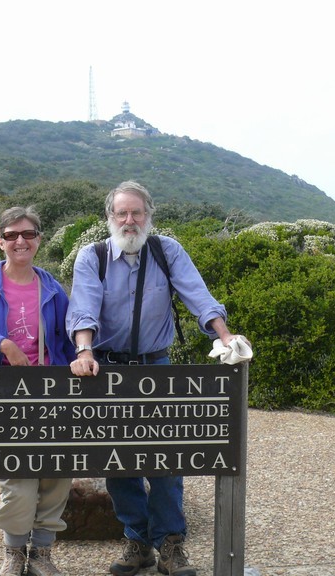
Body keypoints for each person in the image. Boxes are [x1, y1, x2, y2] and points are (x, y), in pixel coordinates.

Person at [66, 181, 247, 576]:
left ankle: (170, 544)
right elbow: (83, 308)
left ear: (149, 215)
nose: (129, 221)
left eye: (137, 213)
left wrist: (224, 335)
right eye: (121, 213)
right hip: (108, 370)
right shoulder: (91, 257)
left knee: (165, 459)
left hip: (156, 366)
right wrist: (84, 351)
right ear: (110, 218)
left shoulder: (168, 251)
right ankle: (137, 542)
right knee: (117, 463)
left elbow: (197, 295)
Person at [0, 206, 76, 576]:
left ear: (39, 239)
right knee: (19, 477)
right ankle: (14, 551)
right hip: (5, 396)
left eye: (28, 233)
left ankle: (42, 553)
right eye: (11, 235)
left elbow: (67, 341)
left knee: (57, 472)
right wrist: (2, 343)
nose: (20, 241)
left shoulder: (51, 287)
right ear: (0, 241)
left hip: (50, 393)